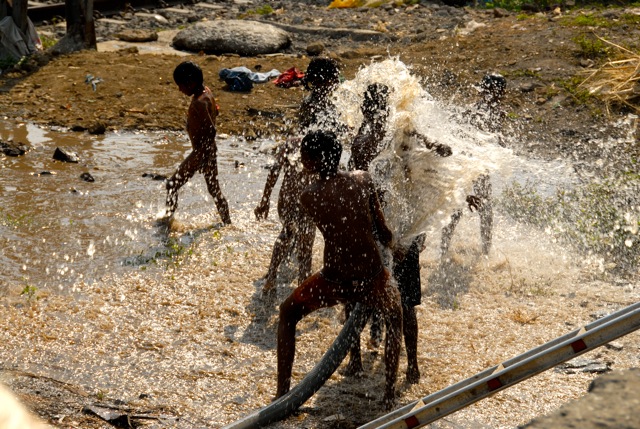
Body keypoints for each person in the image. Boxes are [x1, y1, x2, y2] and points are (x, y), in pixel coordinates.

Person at [276, 130, 403, 408]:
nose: (301, 161)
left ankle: (282, 394)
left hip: (334, 280)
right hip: (371, 279)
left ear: (312, 161)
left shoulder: (308, 196)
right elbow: (382, 232)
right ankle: (389, 395)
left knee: (287, 314)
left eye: (304, 158)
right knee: (395, 317)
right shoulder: (364, 180)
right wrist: (396, 249)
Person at [344, 83, 450, 384]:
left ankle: (369, 362)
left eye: (379, 108)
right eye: (376, 108)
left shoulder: (390, 134)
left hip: (390, 229)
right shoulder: (377, 138)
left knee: (378, 297)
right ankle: (406, 366)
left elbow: (430, 152)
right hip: (394, 229)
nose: (378, 113)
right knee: (395, 300)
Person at [254, 57, 343, 294]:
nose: (337, 82)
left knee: (287, 234)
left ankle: (271, 279)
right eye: (335, 78)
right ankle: (304, 289)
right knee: (305, 243)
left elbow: (275, 169)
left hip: (290, 193)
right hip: (310, 192)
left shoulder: (293, 142)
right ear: (328, 80)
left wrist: (264, 200)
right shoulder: (328, 112)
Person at [165, 61, 231, 225]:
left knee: (172, 184)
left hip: (201, 152)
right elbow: (216, 110)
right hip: (208, 151)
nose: (180, 90)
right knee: (215, 191)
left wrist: (202, 157)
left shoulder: (199, 103)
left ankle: (167, 222)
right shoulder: (206, 92)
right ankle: (227, 223)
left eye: (181, 85)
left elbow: (211, 131)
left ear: (191, 82)